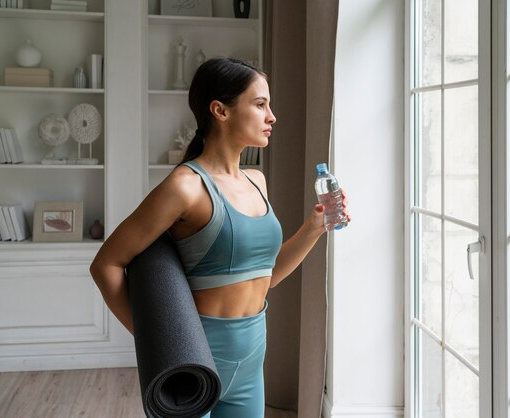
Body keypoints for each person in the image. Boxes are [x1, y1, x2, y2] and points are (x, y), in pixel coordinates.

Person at [89, 57, 350, 417]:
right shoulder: (186, 187)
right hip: (195, 356)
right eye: (260, 105)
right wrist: (158, 343)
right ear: (220, 111)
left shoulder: (256, 181)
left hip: (252, 355)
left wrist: (314, 227)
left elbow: (267, 276)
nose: (271, 116)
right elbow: (107, 263)